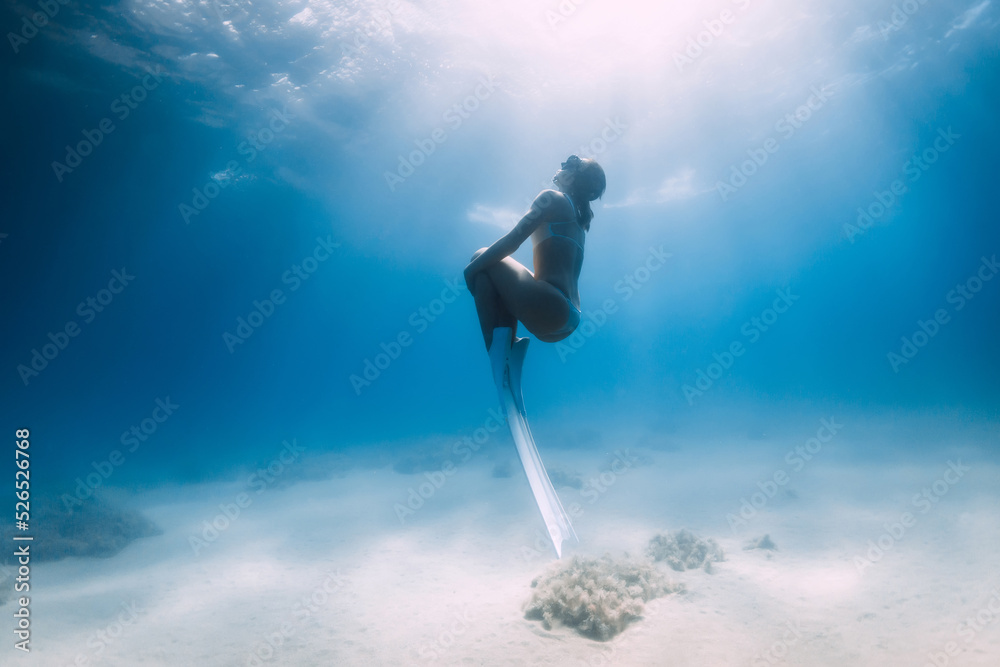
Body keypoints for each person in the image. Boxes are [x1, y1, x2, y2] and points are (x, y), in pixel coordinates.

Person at [464, 155, 606, 352]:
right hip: (570, 318)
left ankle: (498, 353)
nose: (563, 164)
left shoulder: (552, 198)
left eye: (572, 162)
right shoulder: (579, 223)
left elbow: (512, 242)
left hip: (552, 305)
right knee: (494, 277)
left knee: (481, 257)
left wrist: (469, 271)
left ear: (575, 176)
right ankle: (509, 353)